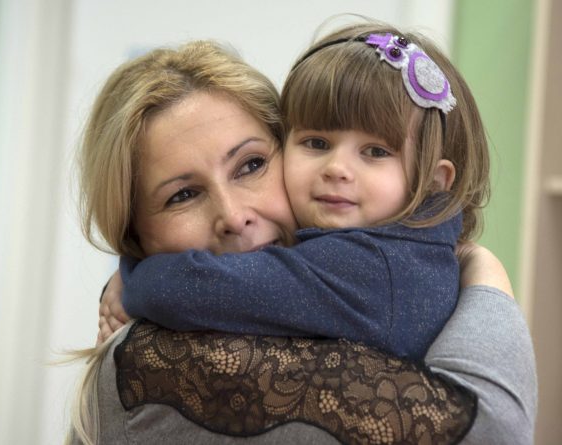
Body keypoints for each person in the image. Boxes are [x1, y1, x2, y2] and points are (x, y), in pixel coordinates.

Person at [69, 35, 536, 444]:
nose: (233, 217)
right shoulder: (161, 364)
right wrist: (485, 274)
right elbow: (489, 431)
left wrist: (132, 279)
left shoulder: (369, 265)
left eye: (251, 165)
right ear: (133, 234)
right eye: (183, 195)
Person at [108, 22, 488, 363]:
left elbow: (192, 291)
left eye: (375, 152)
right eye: (317, 143)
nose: (337, 169)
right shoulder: (412, 252)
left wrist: (134, 273)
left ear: (435, 181)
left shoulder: (374, 266)